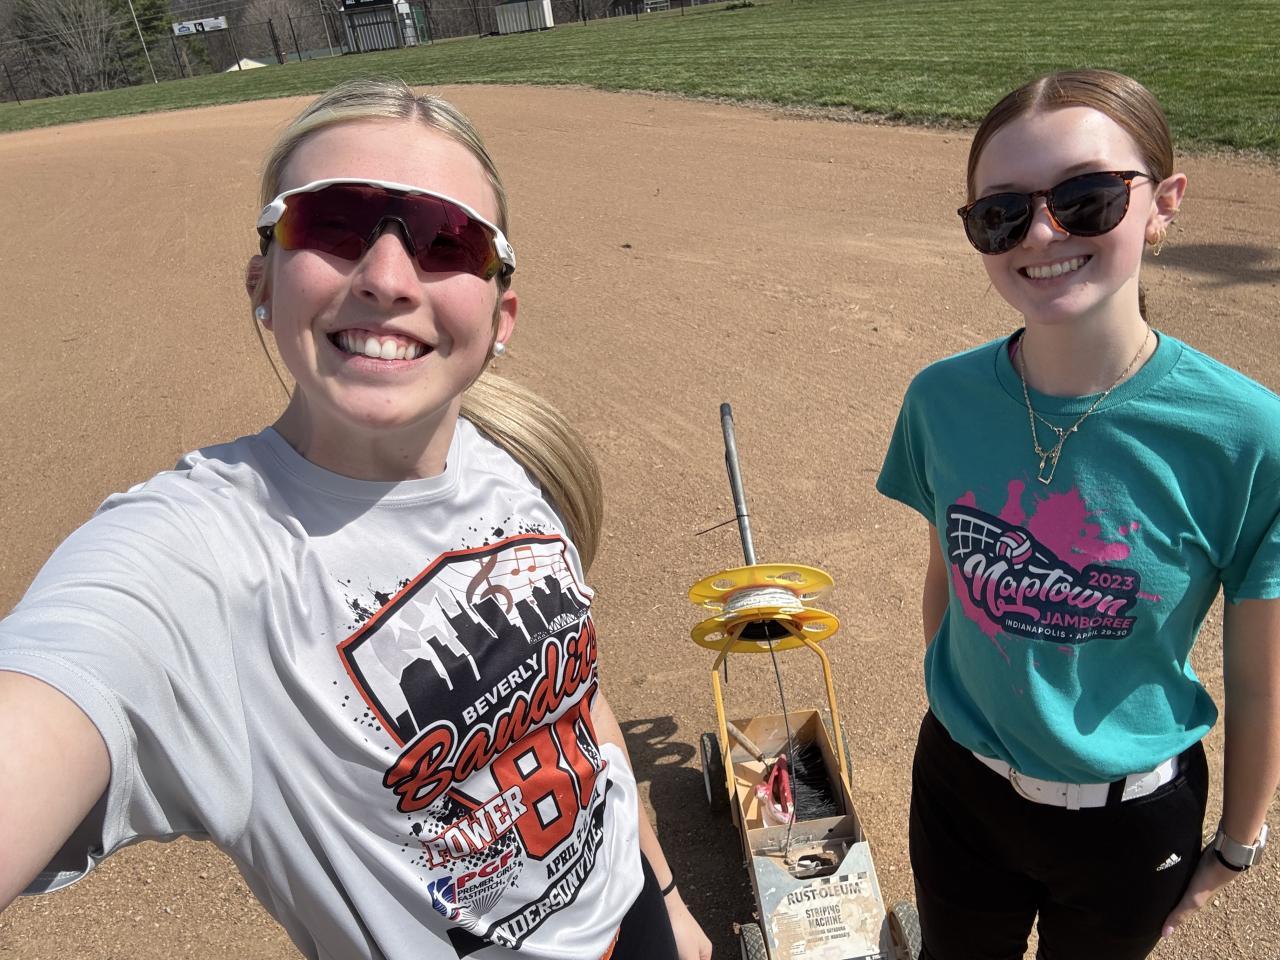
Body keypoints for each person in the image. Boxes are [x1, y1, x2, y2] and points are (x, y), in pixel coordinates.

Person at [0, 78, 712, 960]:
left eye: (448, 240)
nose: (386, 277)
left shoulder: (518, 456)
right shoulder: (198, 564)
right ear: (263, 283)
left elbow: (576, 703)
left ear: (501, 317)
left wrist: (663, 893)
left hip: (631, 917)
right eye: (333, 223)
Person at [876, 69, 1280, 960]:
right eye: (1001, 214)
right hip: (961, 791)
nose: (1041, 233)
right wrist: (968, 722)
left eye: (1086, 198)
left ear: (1163, 204)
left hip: (1130, 822)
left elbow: (1259, 677)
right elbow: (950, 580)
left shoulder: (1249, 436)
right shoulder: (941, 400)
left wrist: (1238, 843)